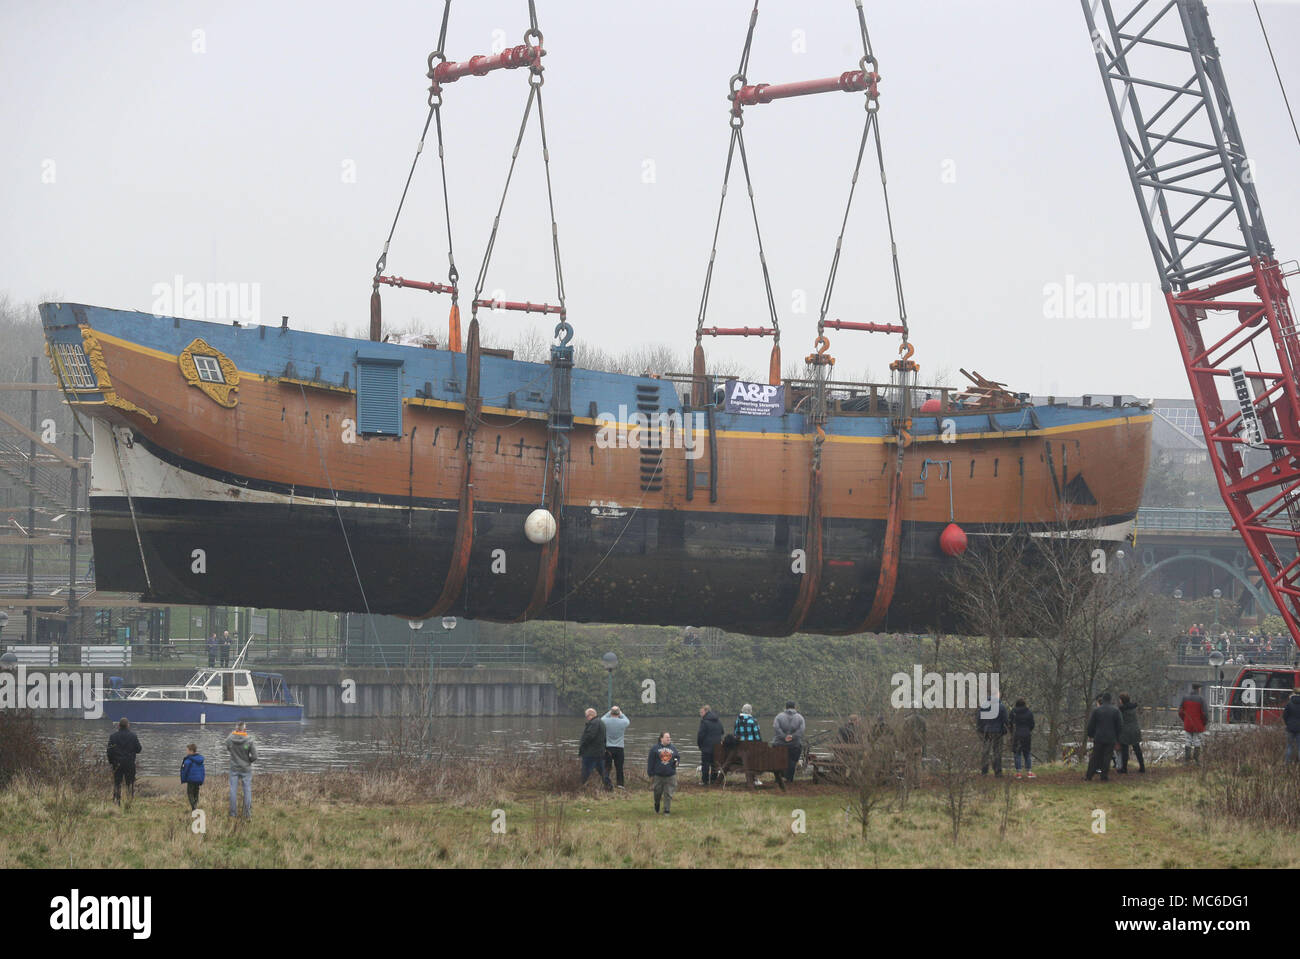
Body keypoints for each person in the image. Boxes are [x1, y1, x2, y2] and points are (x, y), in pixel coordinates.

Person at [1084, 692, 1122, 782]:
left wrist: (1091, 734)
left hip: (1099, 737)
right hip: (1110, 738)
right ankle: (1104, 776)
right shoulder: (1116, 711)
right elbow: (1119, 726)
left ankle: (1089, 775)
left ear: (1103, 700)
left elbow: (1091, 725)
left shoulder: (1097, 711)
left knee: (1094, 757)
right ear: (1110, 700)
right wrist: (1117, 737)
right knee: (1107, 757)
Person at [106, 717, 142, 805]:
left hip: (117, 764)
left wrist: (111, 762)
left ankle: (116, 801)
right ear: (128, 725)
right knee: (130, 783)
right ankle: (129, 802)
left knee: (117, 783)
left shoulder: (113, 737)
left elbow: (109, 752)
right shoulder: (133, 736)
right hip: (129, 764)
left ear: (119, 726)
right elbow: (139, 749)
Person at [225, 721, 257, 818]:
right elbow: (255, 756)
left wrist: (233, 753)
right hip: (246, 768)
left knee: (233, 790)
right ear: (245, 729)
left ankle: (233, 814)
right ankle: (247, 814)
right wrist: (248, 761)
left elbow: (227, 746)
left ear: (235, 729)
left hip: (234, 767)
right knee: (247, 790)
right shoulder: (249, 740)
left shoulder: (230, 738)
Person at [647, 731, 680, 814]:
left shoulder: (673, 748)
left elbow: (677, 757)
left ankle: (667, 810)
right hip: (658, 775)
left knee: (668, 793)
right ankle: (657, 803)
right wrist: (650, 774)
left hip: (670, 775)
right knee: (657, 792)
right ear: (661, 738)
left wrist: (677, 762)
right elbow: (650, 762)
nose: (669, 739)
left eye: (669, 737)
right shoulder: (654, 749)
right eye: (667, 737)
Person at [578, 707, 612, 790]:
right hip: (599, 752)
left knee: (585, 772)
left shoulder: (594, 723)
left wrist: (582, 746)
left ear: (591, 715)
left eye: (587, 716)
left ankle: (580, 788)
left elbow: (589, 736)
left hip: (590, 753)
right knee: (602, 771)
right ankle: (609, 787)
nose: (587, 718)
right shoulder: (601, 722)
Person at [773, 700, 806, 782]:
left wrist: (784, 737)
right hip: (794, 745)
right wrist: (792, 736)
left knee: (778, 760)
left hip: (779, 744)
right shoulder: (800, 717)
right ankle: (789, 779)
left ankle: (778, 778)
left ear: (786, 707)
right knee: (792, 761)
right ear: (794, 707)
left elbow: (776, 728)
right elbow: (801, 730)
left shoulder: (778, 716)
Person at [976, 695, 1009, 776]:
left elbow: (979, 719)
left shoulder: (983, 707)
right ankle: (998, 772)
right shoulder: (1001, 707)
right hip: (998, 732)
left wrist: (980, 730)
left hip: (986, 732)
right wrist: (1007, 730)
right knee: (997, 752)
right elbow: (1005, 720)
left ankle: (984, 771)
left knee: (985, 752)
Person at [1178, 683, 1208, 764]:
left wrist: (1185, 720)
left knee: (1188, 741)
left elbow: (1180, 712)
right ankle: (1197, 760)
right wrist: (1204, 723)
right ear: (1199, 689)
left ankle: (1187, 761)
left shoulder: (1185, 698)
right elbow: (1205, 714)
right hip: (1198, 725)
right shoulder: (1201, 699)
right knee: (1197, 742)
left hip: (1188, 724)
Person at [601, 706, 630, 788]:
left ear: (611, 713)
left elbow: (602, 718)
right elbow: (627, 720)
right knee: (619, 767)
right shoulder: (623, 722)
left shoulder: (605, 721)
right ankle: (620, 784)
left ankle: (606, 784)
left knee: (607, 767)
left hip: (608, 747)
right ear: (618, 713)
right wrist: (621, 713)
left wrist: (609, 712)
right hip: (619, 748)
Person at [1116, 692, 1145, 774]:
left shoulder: (1121, 709)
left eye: (1120, 699)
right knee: (1137, 749)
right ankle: (1142, 767)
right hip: (1135, 729)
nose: (1119, 701)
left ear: (1122, 700)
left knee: (1125, 750)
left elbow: (1119, 721)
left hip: (1125, 731)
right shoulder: (1133, 707)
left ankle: (1124, 768)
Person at [696, 705, 724, 786]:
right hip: (717, 746)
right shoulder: (718, 720)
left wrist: (700, 745)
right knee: (714, 764)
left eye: (701, 712)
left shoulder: (704, 722)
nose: (700, 714)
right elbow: (722, 731)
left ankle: (705, 781)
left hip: (706, 746)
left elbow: (700, 735)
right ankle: (713, 780)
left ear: (706, 711)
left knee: (705, 764)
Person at [1010, 698, 1035, 780]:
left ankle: (1018, 773)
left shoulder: (1013, 712)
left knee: (1017, 753)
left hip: (1017, 734)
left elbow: (1009, 722)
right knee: (1027, 753)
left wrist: (1011, 732)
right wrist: (1028, 730)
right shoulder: (1029, 712)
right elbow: (1032, 724)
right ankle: (1029, 772)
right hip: (1027, 734)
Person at [180, 743, 205, 811]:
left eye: (187, 750)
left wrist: (184, 778)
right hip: (198, 780)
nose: (186, 752)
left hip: (191, 780)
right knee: (196, 793)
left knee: (190, 793)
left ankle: (194, 807)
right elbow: (202, 771)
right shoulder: (200, 759)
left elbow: (185, 770)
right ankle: (196, 804)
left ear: (191, 751)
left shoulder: (188, 760)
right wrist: (202, 779)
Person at [1284, 688, 1300, 764]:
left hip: (1290, 728)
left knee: (1289, 746)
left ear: (1294, 693)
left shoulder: (1289, 703)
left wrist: (1288, 723)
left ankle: (1287, 763)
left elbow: (1285, 716)